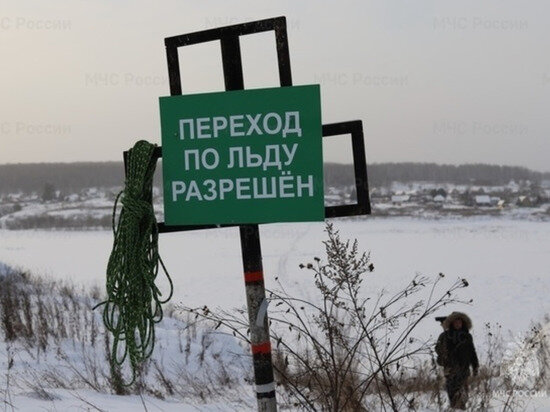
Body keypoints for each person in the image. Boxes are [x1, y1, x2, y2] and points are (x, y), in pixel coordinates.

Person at [435, 312, 479, 410]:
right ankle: (455, 408)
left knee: (463, 394)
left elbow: (472, 352)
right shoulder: (445, 335)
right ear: (452, 323)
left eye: (460, 322)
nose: (458, 324)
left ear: (463, 323)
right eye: (456, 322)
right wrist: (445, 350)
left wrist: (475, 366)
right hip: (450, 369)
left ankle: (461, 408)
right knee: (452, 392)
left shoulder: (467, 336)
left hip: (464, 369)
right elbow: (438, 349)